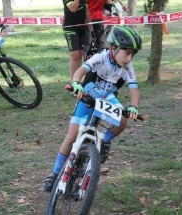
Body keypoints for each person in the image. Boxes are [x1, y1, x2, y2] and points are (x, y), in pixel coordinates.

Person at [43, 25, 142, 192]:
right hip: (88, 94)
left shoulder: (127, 68)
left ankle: (104, 141)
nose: (129, 58)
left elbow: (135, 92)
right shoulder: (100, 57)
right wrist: (76, 82)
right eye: (126, 53)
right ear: (113, 48)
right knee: (72, 136)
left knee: (122, 121)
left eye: (133, 54)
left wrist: (134, 106)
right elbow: (81, 70)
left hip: (108, 98)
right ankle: (55, 173)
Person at [62, 0, 93, 81]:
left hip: (82, 27)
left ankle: (77, 80)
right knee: (74, 55)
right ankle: (73, 82)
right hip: (70, 27)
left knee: (80, 55)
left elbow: (86, 10)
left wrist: (91, 28)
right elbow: (73, 8)